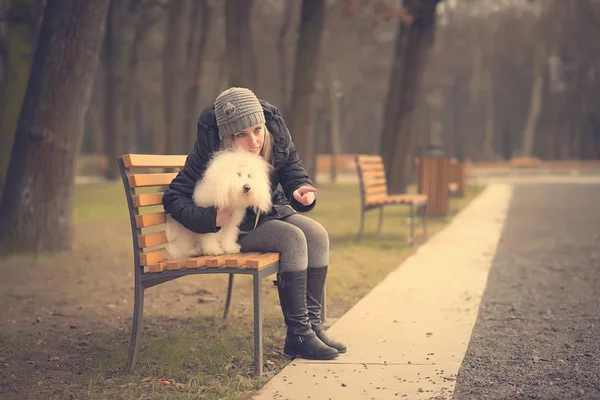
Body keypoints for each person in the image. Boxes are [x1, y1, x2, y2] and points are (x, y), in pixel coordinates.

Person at [162, 87, 347, 360]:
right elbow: (174, 197)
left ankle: (313, 326)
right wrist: (211, 219)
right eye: (242, 135)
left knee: (317, 234)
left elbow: (293, 169)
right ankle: (297, 334)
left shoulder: (275, 130)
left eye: (257, 130)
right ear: (227, 136)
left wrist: (301, 190)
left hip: (270, 212)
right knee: (292, 238)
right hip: (235, 230)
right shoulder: (208, 147)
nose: (254, 141)